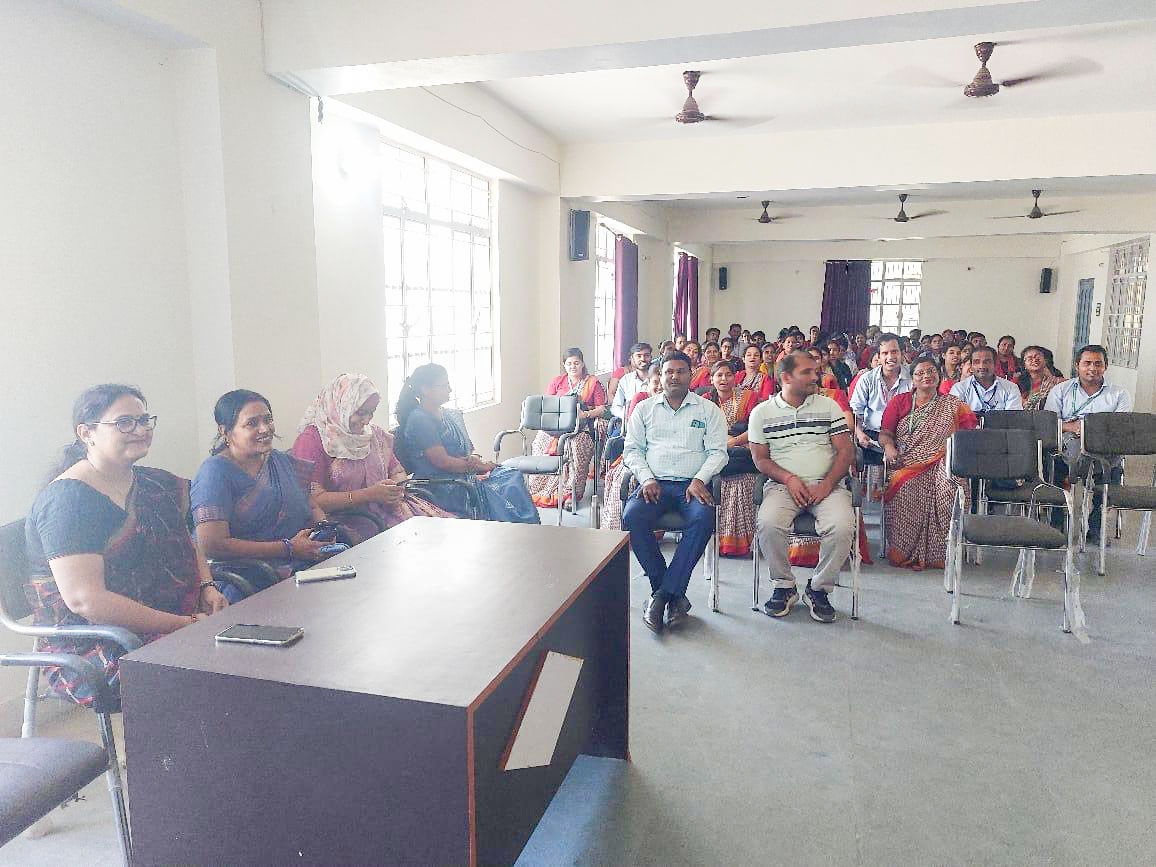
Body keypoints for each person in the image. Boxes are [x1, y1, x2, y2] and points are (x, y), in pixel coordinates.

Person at [25, 384, 227, 707]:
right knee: (217, 675)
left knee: (251, 648)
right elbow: (86, 601)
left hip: (176, 617)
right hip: (97, 641)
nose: (140, 430)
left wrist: (207, 586)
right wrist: (182, 625)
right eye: (124, 423)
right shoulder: (68, 501)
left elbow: (189, 538)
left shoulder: (156, 483)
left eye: (144, 420)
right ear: (86, 433)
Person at [622, 351, 728, 633]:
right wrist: (646, 478)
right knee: (632, 516)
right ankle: (672, 595)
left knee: (704, 518)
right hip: (654, 484)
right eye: (669, 371)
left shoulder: (708, 410)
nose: (674, 377)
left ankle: (659, 597)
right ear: (661, 375)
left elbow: (718, 453)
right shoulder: (644, 409)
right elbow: (632, 450)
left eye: (681, 371)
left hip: (691, 486)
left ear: (690, 375)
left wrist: (700, 479)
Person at [192, 390, 329, 602]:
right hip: (245, 578)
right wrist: (287, 548)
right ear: (225, 431)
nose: (264, 429)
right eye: (252, 423)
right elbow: (212, 544)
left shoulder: (281, 462)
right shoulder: (215, 472)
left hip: (299, 563)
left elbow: (310, 505)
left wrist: (324, 530)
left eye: (268, 419)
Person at [750, 350, 856, 623]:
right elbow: (761, 460)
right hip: (782, 486)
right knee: (768, 524)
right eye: (806, 372)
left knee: (843, 526)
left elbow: (846, 451)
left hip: (827, 485)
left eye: (815, 371)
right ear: (786, 377)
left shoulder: (828, 406)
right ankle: (784, 585)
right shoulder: (762, 413)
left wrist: (827, 484)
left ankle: (818, 588)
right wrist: (789, 478)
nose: (815, 377)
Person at [291, 374, 452, 543]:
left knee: (439, 538)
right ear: (340, 406)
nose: (367, 420)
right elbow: (312, 500)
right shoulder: (313, 441)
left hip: (389, 510)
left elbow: (397, 471)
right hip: (346, 523)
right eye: (361, 413)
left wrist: (395, 488)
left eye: (371, 413)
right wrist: (369, 495)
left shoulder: (373, 435)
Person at [396, 364, 540, 523]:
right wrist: (478, 467)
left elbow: (466, 450)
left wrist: (475, 460)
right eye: (444, 386)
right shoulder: (420, 420)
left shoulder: (448, 414)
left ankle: (525, 531)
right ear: (425, 390)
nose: (450, 390)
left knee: (511, 475)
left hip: (461, 475)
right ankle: (513, 531)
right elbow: (443, 462)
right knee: (505, 485)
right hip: (443, 485)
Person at [878, 355, 978, 569]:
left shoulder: (953, 404)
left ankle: (944, 552)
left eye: (931, 371)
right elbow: (885, 434)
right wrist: (889, 448)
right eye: (920, 373)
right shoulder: (900, 401)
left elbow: (969, 436)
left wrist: (950, 457)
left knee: (951, 488)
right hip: (907, 462)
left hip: (945, 461)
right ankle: (902, 550)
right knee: (907, 487)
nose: (926, 376)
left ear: (939, 375)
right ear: (912, 379)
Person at [1043, 345, 1133, 543]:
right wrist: (1072, 427)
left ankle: (1096, 526)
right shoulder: (1061, 390)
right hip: (1069, 442)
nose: (1092, 368)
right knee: (1059, 460)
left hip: (1104, 443)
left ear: (1105, 366)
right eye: (1087, 363)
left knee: (1112, 464)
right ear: (1077, 365)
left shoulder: (1119, 394)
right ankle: (1056, 521)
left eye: (1098, 363)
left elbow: (1120, 426)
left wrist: (1090, 431)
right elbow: (1050, 423)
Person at [522, 348, 607, 508]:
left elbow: (602, 409)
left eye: (576, 363)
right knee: (540, 441)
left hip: (582, 426)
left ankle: (570, 493)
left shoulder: (593, 383)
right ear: (564, 365)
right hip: (556, 426)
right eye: (569, 364)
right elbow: (548, 406)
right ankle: (539, 490)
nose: (573, 367)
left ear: (582, 364)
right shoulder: (557, 382)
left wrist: (585, 414)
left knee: (575, 446)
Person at [703, 361, 761, 557]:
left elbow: (757, 428)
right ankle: (714, 539)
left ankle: (739, 542)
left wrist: (734, 441)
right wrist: (723, 441)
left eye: (728, 374)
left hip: (742, 450)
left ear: (735, 377)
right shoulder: (704, 400)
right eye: (719, 375)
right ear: (712, 379)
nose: (724, 379)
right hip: (714, 451)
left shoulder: (749, 397)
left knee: (741, 482)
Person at [603, 364, 663, 531]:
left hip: (661, 456)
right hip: (638, 451)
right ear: (648, 384)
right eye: (655, 382)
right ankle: (618, 532)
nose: (659, 387)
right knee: (622, 478)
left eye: (662, 382)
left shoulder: (672, 402)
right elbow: (633, 432)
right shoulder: (640, 399)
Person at [850, 333, 912, 452]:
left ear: (902, 354)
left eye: (894, 352)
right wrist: (859, 434)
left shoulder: (912, 379)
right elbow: (855, 412)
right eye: (885, 353)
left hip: (903, 438)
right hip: (872, 436)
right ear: (878, 356)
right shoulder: (867, 379)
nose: (890, 357)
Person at [949, 345, 1023, 415]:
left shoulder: (1011, 388)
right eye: (977, 362)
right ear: (971, 366)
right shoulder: (959, 388)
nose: (982, 366)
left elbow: (1013, 420)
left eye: (987, 362)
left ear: (995, 364)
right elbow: (953, 418)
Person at [610, 342, 653, 424]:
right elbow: (615, 406)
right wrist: (626, 415)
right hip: (630, 423)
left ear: (651, 357)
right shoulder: (625, 380)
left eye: (646, 355)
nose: (643, 359)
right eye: (638, 356)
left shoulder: (659, 379)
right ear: (632, 359)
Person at [1017, 345, 1064, 410]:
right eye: (1029, 358)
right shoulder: (1018, 383)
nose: (1034, 360)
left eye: (1038, 357)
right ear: (1024, 365)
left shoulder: (1059, 383)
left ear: (1045, 361)